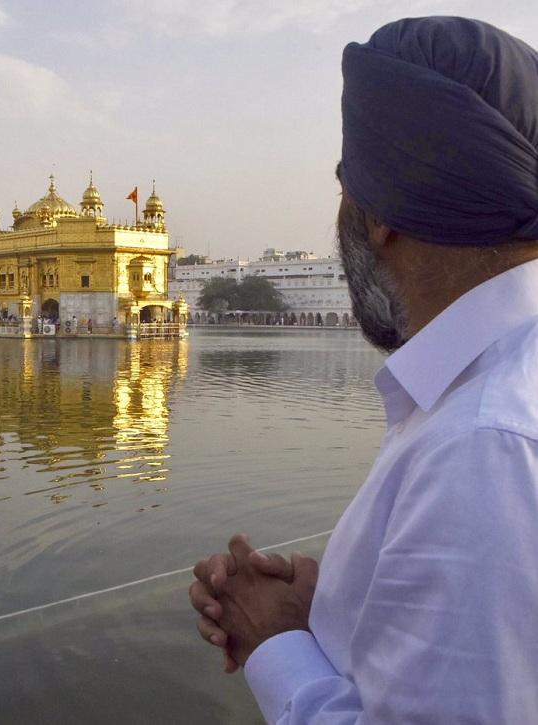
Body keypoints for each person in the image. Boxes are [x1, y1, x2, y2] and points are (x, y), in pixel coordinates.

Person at [190, 16, 538, 723]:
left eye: (347, 182)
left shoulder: (482, 444)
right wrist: (347, 605)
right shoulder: (490, 394)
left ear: (381, 213)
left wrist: (275, 640)